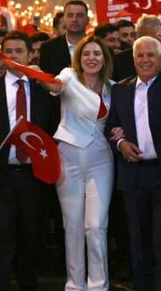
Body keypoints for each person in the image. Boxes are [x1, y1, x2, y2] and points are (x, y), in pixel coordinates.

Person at [105, 29, 161, 291]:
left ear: (160, 57)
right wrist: (121, 143)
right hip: (133, 174)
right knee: (138, 237)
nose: (145, 60)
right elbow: (111, 126)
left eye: (151, 55)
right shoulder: (120, 89)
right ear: (133, 59)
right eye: (140, 55)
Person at [0, 31, 53, 291]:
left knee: (31, 231)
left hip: (33, 173)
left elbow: (52, 126)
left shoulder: (42, 89)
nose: (13, 56)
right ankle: (0, 281)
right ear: (1, 56)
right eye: (8, 52)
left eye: (19, 51)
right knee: (2, 232)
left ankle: (28, 280)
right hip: (1, 173)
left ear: (31, 55)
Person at [41, 37, 115, 291]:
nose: (91, 58)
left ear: (104, 58)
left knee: (96, 225)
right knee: (72, 224)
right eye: (86, 54)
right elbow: (54, 86)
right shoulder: (68, 76)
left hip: (101, 159)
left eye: (97, 53)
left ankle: (99, 285)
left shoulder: (112, 87)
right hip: (69, 157)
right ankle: (75, 285)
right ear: (79, 59)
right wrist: (35, 74)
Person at [40, 0, 89, 76]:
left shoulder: (100, 47)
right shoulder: (48, 48)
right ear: (64, 19)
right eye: (70, 15)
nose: (74, 20)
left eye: (79, 15)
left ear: (87, 20)